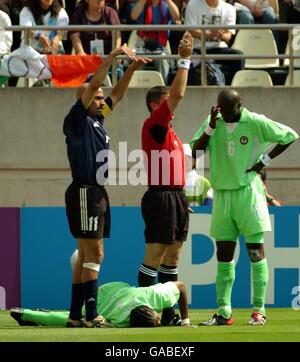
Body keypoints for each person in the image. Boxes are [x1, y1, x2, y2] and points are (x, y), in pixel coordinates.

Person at [190, 89, 298, 326]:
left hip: (248, 194)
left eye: (229, 111)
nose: (226, 116)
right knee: (224, 254)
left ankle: (259, 311)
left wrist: (264, 161)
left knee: (255, 252)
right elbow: (195, 153)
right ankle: (224, 313)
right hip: (222, 195)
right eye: (222, 111)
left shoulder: (255, 121)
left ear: (240, 106)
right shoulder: (214, 123)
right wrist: (209, 126)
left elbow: (290, 136)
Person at [63, 44, 150, 328]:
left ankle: (76, 316)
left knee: (86, 255)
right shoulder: (77, 120)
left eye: (101, 98)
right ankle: (92, 315)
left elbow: (118, 95)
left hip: (94, 191)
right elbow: (97, 83)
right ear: (85, 99)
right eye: (97, 97)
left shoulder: (97, 120)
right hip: (86, 190)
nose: (102, 101)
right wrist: (112, 57)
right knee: (96, 254)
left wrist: (133, 69)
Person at [138, 31, 193, 326]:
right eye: (166, 100)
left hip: (176, 197)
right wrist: (184, 60)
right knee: (155, 256)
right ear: (154, 105)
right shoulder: (153, 124)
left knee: (172, 258)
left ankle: (170, 314)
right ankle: (145, 310)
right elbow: (179, 93)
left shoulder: (169, 131)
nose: (172, 103)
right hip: (160, 197)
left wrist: (182, 200)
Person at [11, 250, 193, 328]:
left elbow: (181, 287)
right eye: (158, 321)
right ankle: (28, 314)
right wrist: (184, 322)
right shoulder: (123, 321)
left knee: (76, 319)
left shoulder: (154, 297)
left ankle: (30, 313)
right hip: (107, 296)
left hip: (110, 293)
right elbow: (182, 286)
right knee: (74, 321)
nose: (158, 320)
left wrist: (186, 320)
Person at [184, 0, 244, 85]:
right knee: (186, 61)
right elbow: (191, 30)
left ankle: (232, 89)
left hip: (218, 48)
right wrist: (210, 34)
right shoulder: (193, 4)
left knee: (238, 56)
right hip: (197, 48)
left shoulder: (229, 8)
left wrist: (218, 34)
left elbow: (228, 37)